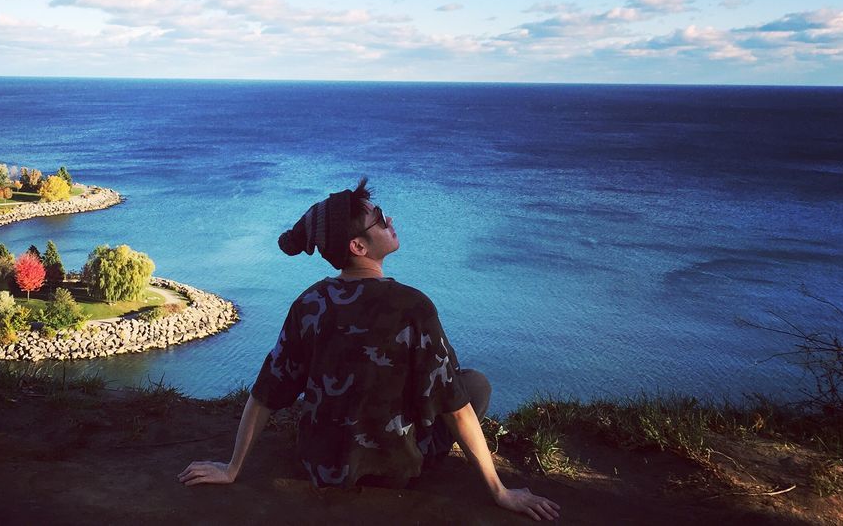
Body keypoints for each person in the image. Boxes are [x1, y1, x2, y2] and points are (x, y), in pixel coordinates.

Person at [179, 178, 559, 521]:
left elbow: (266, 392)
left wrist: (232, 468)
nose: (388, 218)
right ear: (358, 246)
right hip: (398, 470)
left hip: (321, 465)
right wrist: (500, 491)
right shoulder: (413, 307)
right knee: (475, 385)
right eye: (378, 218)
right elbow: (455, 405)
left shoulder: (309, 303)